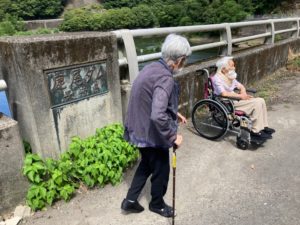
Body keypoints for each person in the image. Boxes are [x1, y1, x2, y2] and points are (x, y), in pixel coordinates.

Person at [121, 34, 191, 217]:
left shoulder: (152, 67)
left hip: (136, 127)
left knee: (146, 163)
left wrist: (174, 113)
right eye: (184, 60)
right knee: (161, 168)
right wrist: (173, 136)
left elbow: (153, 99)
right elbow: (157, 115)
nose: (184, 64)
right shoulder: (166, 78)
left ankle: (130, 200)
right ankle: (157, 204)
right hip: (148, 131)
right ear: (178, 61)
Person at [212, 56, 275, 141]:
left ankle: (263, 126)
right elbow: (224, 93)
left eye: (233, 65)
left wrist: (243, 92)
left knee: (261, 100)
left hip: (235, 98)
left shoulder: (229, 76)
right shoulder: (217, 78)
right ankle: (254, 131)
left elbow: (241, 86)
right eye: (231, 66)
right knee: (257, 103)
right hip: (226, 102)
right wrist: (241, 96)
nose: (234, 68)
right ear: (223, 69)